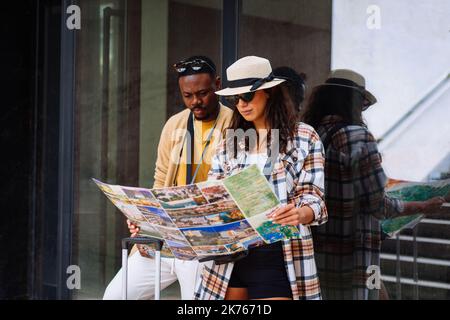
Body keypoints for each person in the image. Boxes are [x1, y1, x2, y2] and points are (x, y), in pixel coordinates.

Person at [301, 69, 448, 300]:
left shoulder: (309, 135)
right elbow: (378, 205)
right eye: (362, 104)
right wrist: (422, 206)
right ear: (354, 102)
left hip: (315, 254)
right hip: (355, 256)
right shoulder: (358, 137)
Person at [194, 56, 328, 300]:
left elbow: (315, 199)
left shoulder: (304, 137)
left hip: (277, 254)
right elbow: (211, 194)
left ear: (269, 92)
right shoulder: (231, 141)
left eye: (247, 95)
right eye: (236, 98)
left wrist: (299, 213)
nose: (241, 104)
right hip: (230, 258)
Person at [103, 56, 233, 300]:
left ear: (217, 84)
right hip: (165, 239)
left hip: (204, 242)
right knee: (115, 296)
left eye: (203, 93)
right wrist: (144, 219)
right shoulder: (174, 124)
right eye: (187, 95)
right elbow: (161, 179)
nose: (196, 101)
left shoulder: (234, 123)